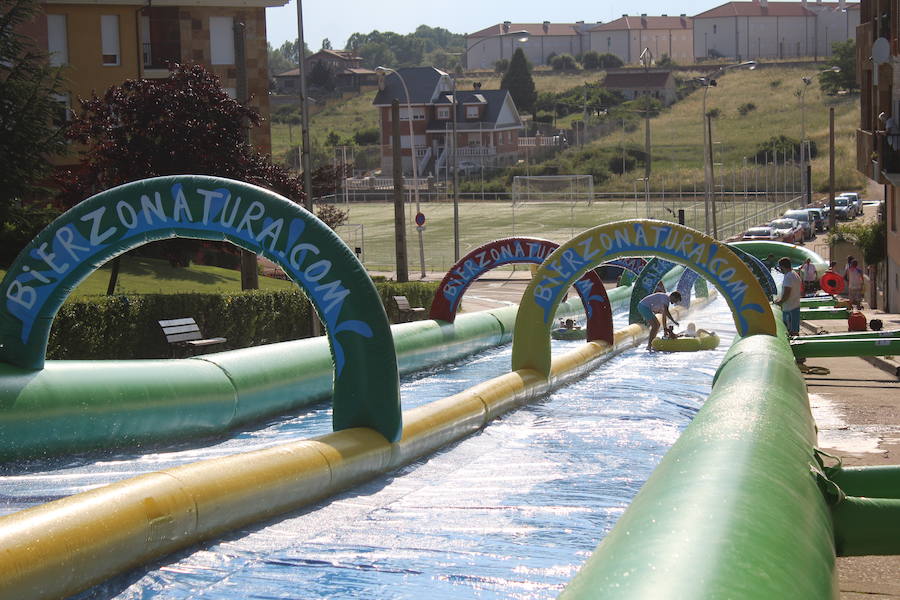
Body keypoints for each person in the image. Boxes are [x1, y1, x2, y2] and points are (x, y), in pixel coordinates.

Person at [774, 257, 802, 336]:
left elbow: (787, 293)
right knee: (795, 330)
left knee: (790, 331)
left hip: (789, 308)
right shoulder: (795, 274)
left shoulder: (788, 277)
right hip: (795, 306)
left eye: (780, 267)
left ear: (782, 267)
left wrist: (779, 302)